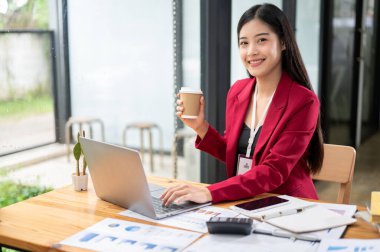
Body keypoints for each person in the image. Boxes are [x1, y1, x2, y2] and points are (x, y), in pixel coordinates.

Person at [161, 3, 324, 206]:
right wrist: (200, 127)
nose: (251, 51)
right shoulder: (238, 91)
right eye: (244, 43)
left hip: (290, 207)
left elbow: (273, 172)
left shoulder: (304, 101)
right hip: (246, 202)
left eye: (262, 40)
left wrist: (209, 192)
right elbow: (236, 154)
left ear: (283, 42)